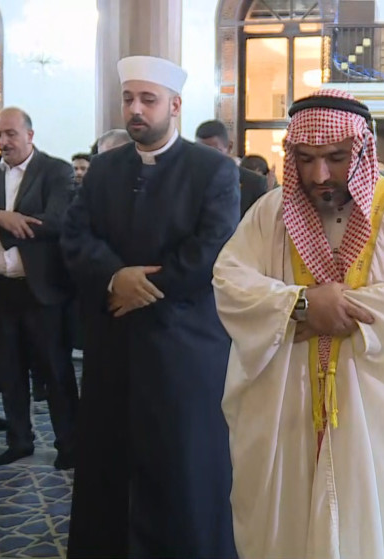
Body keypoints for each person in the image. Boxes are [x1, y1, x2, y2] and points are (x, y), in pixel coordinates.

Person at [212, 89, 384, 559]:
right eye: (305, 160)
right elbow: (231, 280)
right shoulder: (270, 213)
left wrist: (344, 309)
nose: (319, 175)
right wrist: (301, 304)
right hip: (285, 409)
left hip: (375, 416)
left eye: (335, 158)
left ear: (363, 151)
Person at [61, 56, 240, 558]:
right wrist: (115, 277)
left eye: (148, 100)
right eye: (128, 99)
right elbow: (75, 235)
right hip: (115, 346)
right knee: (110, 465)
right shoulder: (103, 169)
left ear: (175, 106)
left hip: (182, 346)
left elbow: (211, 249)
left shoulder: (213, 170)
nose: (135, 109)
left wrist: (142, 288)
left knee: (182, 468)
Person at [0, 107, 79, 468]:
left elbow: (55, 222)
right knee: (8, 370)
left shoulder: (56, 171)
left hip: (41, 290)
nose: (3, 142)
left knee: (55, 371)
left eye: (10, 134)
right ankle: (19, 440)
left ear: (29, 136)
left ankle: (70, 445)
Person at [195, 120, 267, 217]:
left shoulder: (254, 183)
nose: (207, 159)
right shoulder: (187, 181)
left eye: (214, 152)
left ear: (229, 147)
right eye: (201, 152)